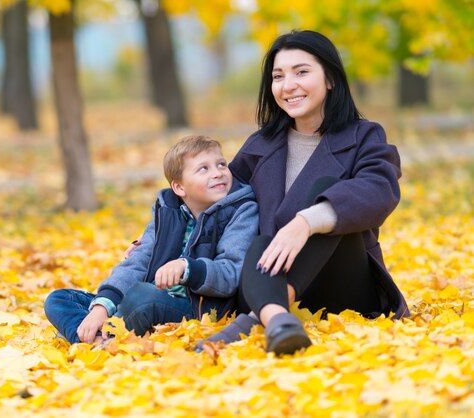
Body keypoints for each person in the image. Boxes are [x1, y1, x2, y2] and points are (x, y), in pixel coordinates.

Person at [196, 30, 409, 356]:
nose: (288, 85)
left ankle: (257, 320)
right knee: (262, 241)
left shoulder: (364, 136)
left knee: (328, 193)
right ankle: (279, 319)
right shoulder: (259, 146)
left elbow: (380, 189)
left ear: (330, 80)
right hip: (263, 279)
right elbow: (217, 200)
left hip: (343, 288)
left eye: (302, 72)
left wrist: (307, 222)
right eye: (278, 76)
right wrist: (161, 230)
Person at [44, 135, 259, 344]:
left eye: (221, 164)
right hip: (147, 298)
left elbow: (231, 272)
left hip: (196, 308)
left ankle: (91, 336)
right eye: (204, 168)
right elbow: (138, 262)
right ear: (179, 187)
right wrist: (102, 306)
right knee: (59, 299)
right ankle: (99, 339)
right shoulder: (167, 212)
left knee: (141, 297)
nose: (218, 173)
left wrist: (187, 268)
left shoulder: (242, 211)